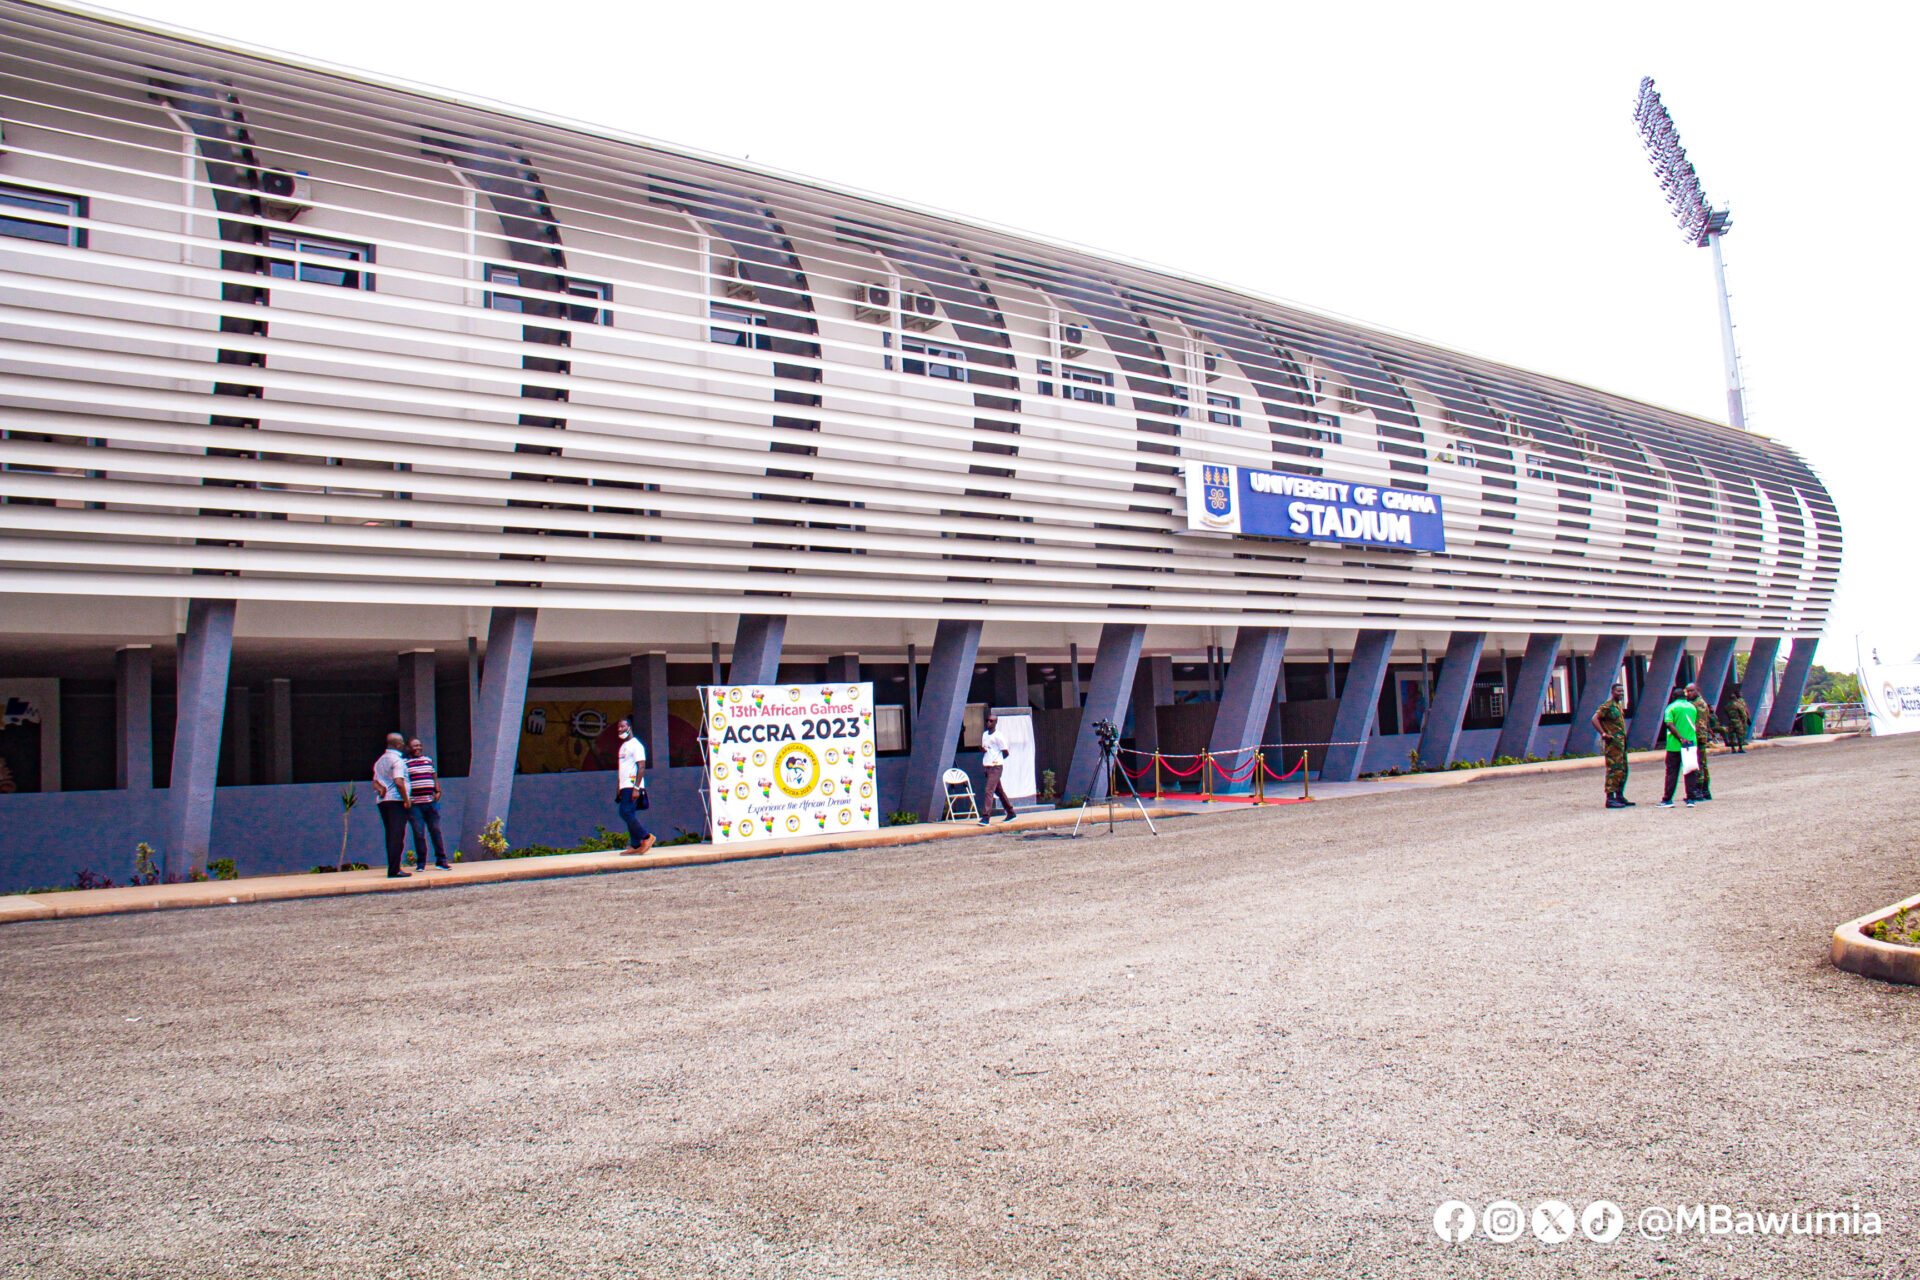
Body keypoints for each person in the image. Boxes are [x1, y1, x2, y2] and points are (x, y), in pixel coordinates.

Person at [403, 738, 451, 869]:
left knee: (435, 831)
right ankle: (421, 863)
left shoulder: (428, 761)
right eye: (414, 746)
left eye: (419, 745)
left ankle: (441, 861)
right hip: (415, 805)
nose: (417, 748)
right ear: (408, 748)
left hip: (430, 802)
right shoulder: (405, 763)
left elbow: (433, 777)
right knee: (419, 834)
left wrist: (438, 791)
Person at [370, 732, 411, 877]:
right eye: (401, 743)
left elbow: (375, 782)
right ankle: (394, 869)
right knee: (397, 836)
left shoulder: (380, 761)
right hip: (396, 801)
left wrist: (381, 789)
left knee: (390, 835)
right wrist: (407, 800)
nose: (403, 745)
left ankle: (393, 867)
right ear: (397, 744)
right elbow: (399, 782)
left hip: (383, 802)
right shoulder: (397, 761)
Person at [614, 718, 655, 856]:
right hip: (625, 786)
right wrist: (619, 786)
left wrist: (637, 788)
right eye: (618, 727)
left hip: (632, 786)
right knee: (629, 813)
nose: (620, 729)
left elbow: (641, 766)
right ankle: (635, 845)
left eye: (623, 726)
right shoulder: (624, 746)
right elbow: (623, 768)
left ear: (630, 727)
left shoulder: (636, 745)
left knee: (624, 812)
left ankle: (646, 837)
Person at [1659, 685, 1701, 808]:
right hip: (1691, 744)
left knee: (1672, 772)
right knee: (1690, 771)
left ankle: (1667, 800)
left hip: (1674, 745)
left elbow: (1669, 724)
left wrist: (1680, 738)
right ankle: (1691, 799)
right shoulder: (1692, 707)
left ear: (1673, 697)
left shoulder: (1671, 708)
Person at [1592, 682, 1633, 808]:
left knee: (1623, 769)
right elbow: (1594, 719)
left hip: (1621, 744)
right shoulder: (1607, 706)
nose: (1621, 694)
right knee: (1614, 769)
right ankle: (1610, 798)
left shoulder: (1617, 706)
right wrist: (1603, 734)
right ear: (1612, 692)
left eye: (1622, 691)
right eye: (1618, 691)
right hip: (1613, 744)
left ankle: (1619, 795)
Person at [977, 713, 1017, 824]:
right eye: (987, 720)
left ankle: (986, 817)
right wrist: (984, 751)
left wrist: (997, 760)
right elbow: (987, 749)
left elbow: (1005, 752)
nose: (988, 723)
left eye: (991, 721)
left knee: (989, 790)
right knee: (999, 791)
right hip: (988, 765)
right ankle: (1011, 812)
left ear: (995, 722)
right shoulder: (985, 735)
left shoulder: (998, 736)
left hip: (996, 766)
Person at [1686, 683, 1716, 802]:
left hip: (1696, 737)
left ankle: (1698, 790)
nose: (1689, 694)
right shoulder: (1702, 703)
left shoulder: (1695, 704)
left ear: (1697, 690)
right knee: (1702, 763)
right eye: (1687, 692)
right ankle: (1705, 790)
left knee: (1697, 764)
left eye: (1692, 691)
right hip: (1701, 736)